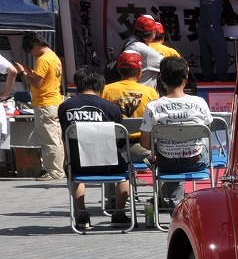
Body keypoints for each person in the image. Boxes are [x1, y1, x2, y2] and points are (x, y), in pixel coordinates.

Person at [58, 66, 128, 229]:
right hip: (110, 165)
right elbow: (121, 141)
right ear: (100, 85)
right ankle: (118, 213)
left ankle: (82, 215)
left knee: (73, 172)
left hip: (79, 165)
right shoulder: (111, 108)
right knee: (126, 172)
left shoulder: (65, 107)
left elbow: (65, 137)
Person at [140, 56, 213, 210]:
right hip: (195, 162)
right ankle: (174, 201)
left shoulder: (153, 106)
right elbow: (207, 130)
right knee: (203, 142)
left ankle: (171, 201)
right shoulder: (200, 103)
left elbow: (145, 144)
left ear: (161, 79)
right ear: (185, 79)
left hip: (167, 163)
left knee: (159, 151)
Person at [14, 32, 66, 180]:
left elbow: (37, 83)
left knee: (49, 140)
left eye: (31, 50)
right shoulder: (54, 57)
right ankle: (57, 169)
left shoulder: (43, 60)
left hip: (44, 104)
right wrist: (29, 71)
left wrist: (24, 72)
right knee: (55, 138)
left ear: (36, 45)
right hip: (54, 102)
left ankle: (54, 171)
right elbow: (42, 80)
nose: (32, 53)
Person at [102, 50, 159, 162]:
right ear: (139, 71)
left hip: (114, 147)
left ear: (118, 70)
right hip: (144, 149)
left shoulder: (105, 90)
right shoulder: (150, 92)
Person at [197, 0, 238, 83]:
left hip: (201, 29)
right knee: (220, 54)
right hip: (213, 29)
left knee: (205, 55)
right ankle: (222, 80)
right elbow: (230, 15)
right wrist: (232, 21)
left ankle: (207, 79)